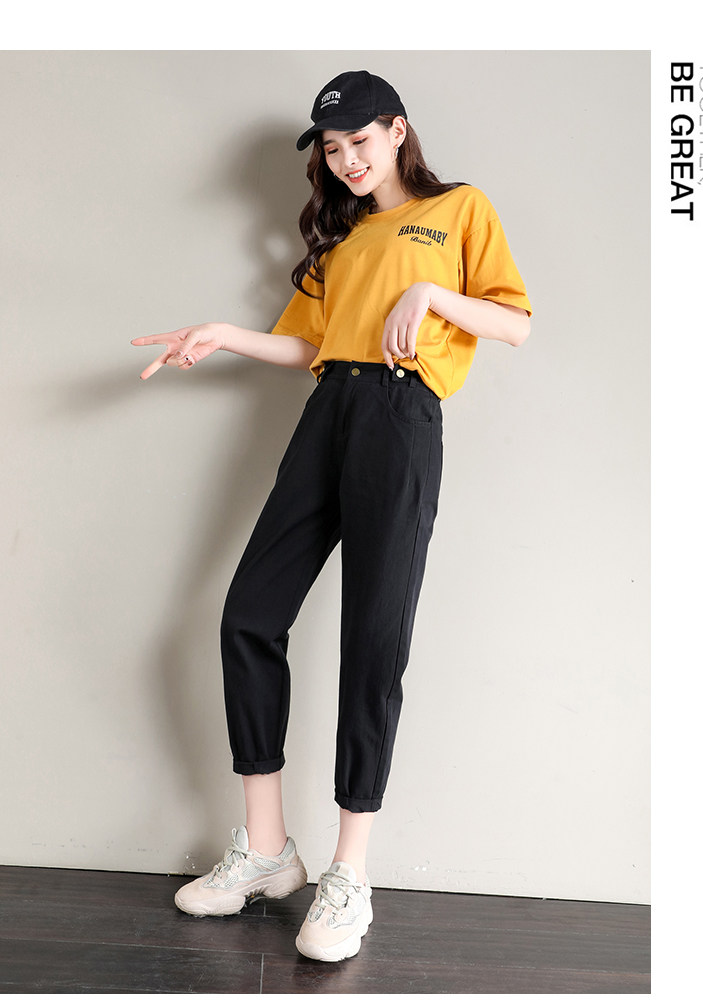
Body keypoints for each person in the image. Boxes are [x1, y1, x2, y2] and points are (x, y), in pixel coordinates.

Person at [132, 69, 532, 963]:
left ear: (397, 131)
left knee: (373, 639)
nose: (348, 159)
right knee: (248, 615)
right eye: (333, 147)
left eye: (360, 139)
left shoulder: (459, 209)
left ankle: (349, 871)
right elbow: (311, 342)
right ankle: (268, 850)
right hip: (328, 414)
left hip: (401, 414)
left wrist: (431, 297)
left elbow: (513, 322)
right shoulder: (343, 239)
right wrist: (224, 334)